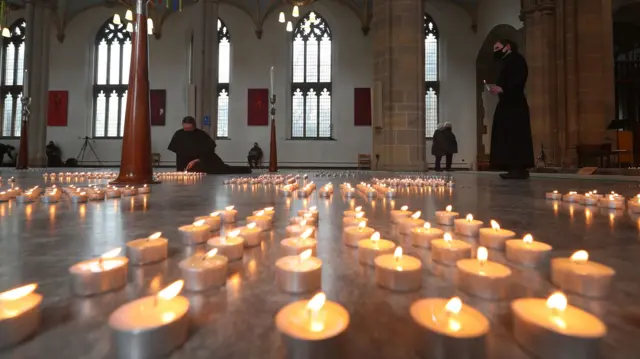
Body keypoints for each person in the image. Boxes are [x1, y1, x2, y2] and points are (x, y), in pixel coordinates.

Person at [487, 39, 534, 179]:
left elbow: (519, 78)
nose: (495, 51)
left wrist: (503, 88)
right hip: (507, 103)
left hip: (515, 104)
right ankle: (511, 167)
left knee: (515, 135)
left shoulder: (516, 59)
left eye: (497, 47)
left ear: (508, 47)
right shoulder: (507, 61)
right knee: (505, 135)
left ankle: (517, 168)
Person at [168, 116, 250, 174]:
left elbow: (209, 151)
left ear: (194, 126)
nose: (187, 131)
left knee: (225, 170)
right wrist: (180, 169)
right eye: (186, 129)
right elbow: (178, 152)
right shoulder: (179, 134)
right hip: (186, 162)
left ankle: (246, 169)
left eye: (190, 129)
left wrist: (197, 160)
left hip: (205, 161)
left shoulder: (201, 134)